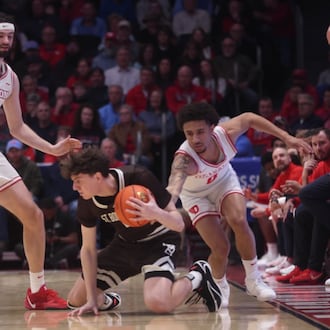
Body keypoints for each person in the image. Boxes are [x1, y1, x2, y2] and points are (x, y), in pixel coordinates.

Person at [166, 102, 311, 305]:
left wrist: (286, 137)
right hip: (196, 196)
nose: (195, 139)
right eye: (189, 134)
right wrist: (166, 208)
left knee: (238, 219)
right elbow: (174, 187)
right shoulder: (184, 158)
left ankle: (253, 279)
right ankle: (217, 286)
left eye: (200, 132)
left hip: (224, 181)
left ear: (212, 127)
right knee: (221, 248)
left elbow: (250, 117)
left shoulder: (225, 133)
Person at [60, 147, 222, 315]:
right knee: (76, 300)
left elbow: (179, 224)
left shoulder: (138, 177)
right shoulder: (87, 201)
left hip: (158, 241)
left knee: (159, 303)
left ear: (98, 176)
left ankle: (198, 276)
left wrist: (155, 212)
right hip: (124, 245)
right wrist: (92, 299)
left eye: (78, 180)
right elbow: (87, 249)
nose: (74, 187)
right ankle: (107, 301)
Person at [0, 12, 81, 309]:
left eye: (9, 35)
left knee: (34, 216)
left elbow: (17, 128)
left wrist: (52, 148)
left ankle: (37, 293)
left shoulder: (10, 78)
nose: (6, 41)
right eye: (0, 35)